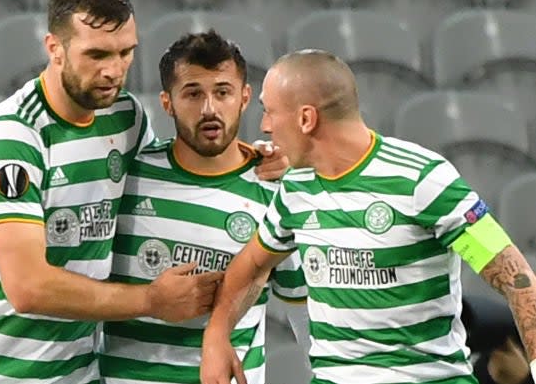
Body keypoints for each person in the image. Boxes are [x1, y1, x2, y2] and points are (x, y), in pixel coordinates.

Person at [0, 0, 226, 383]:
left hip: (74, 374)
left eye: (125, 53)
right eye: (97, 54)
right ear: (55, 49)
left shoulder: (125, 116)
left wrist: (254, 160)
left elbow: (167, 184)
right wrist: (151, 300)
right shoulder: (13, 136)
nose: (113, 71)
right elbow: (28, 287)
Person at [200, 49, 536, 384]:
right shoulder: (295, 189)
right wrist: (216, 337)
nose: (264, 126)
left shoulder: (423, 180)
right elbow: (250, 267)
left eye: (270, 112)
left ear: (306, 119)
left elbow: (515, 277)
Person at [97, 30, 309, 384]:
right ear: (167, 103)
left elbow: (305, 317)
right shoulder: (127, 178)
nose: (209, 109)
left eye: (222, 92)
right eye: (193, 94)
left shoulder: (276, 191)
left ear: (244, 98)